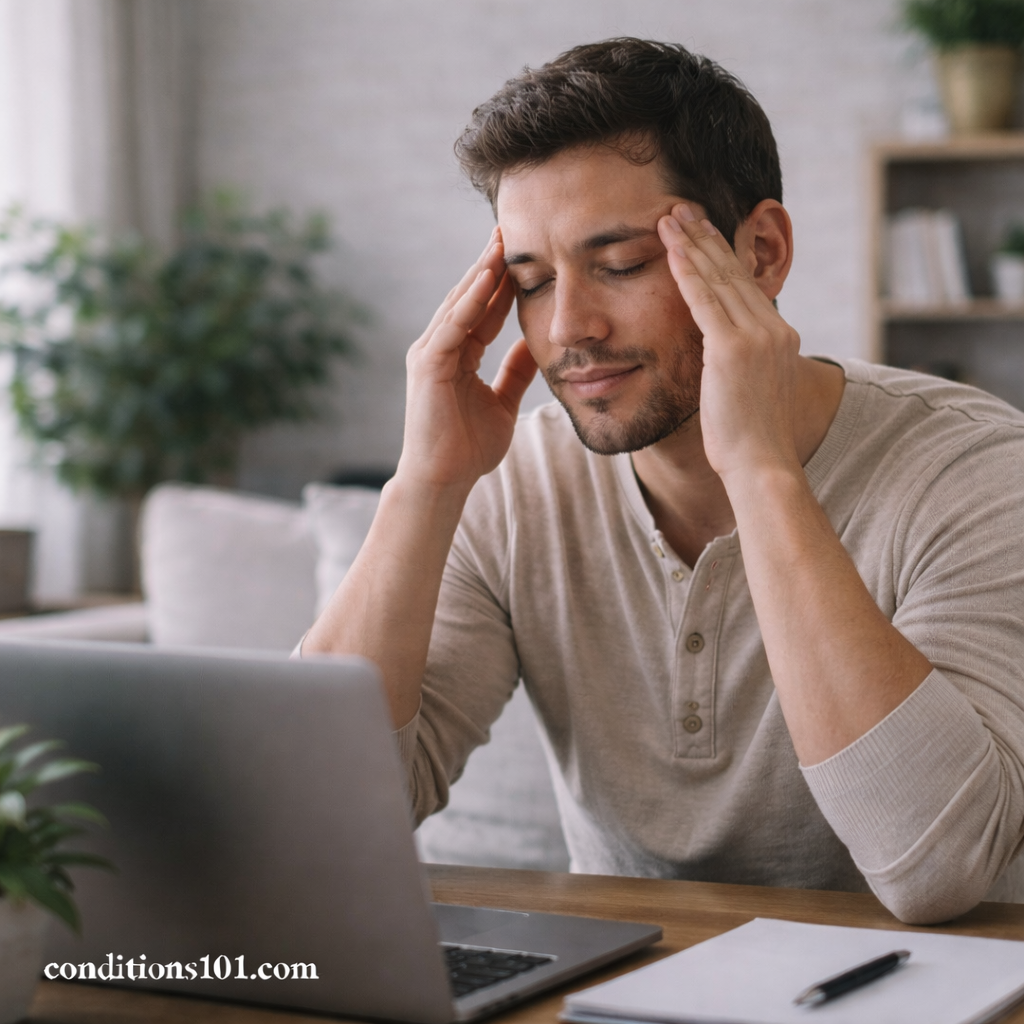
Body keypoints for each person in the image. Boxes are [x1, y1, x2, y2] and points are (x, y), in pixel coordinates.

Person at [301, 38, 1024, 924]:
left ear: (759, 252)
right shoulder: (512, 485)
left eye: (622, 264)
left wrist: (760, 470)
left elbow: (938, 870)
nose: (568, 327)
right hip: (613, 989)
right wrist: (423, 486)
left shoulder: (976, 470)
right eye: (530, 280)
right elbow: (320, 818)